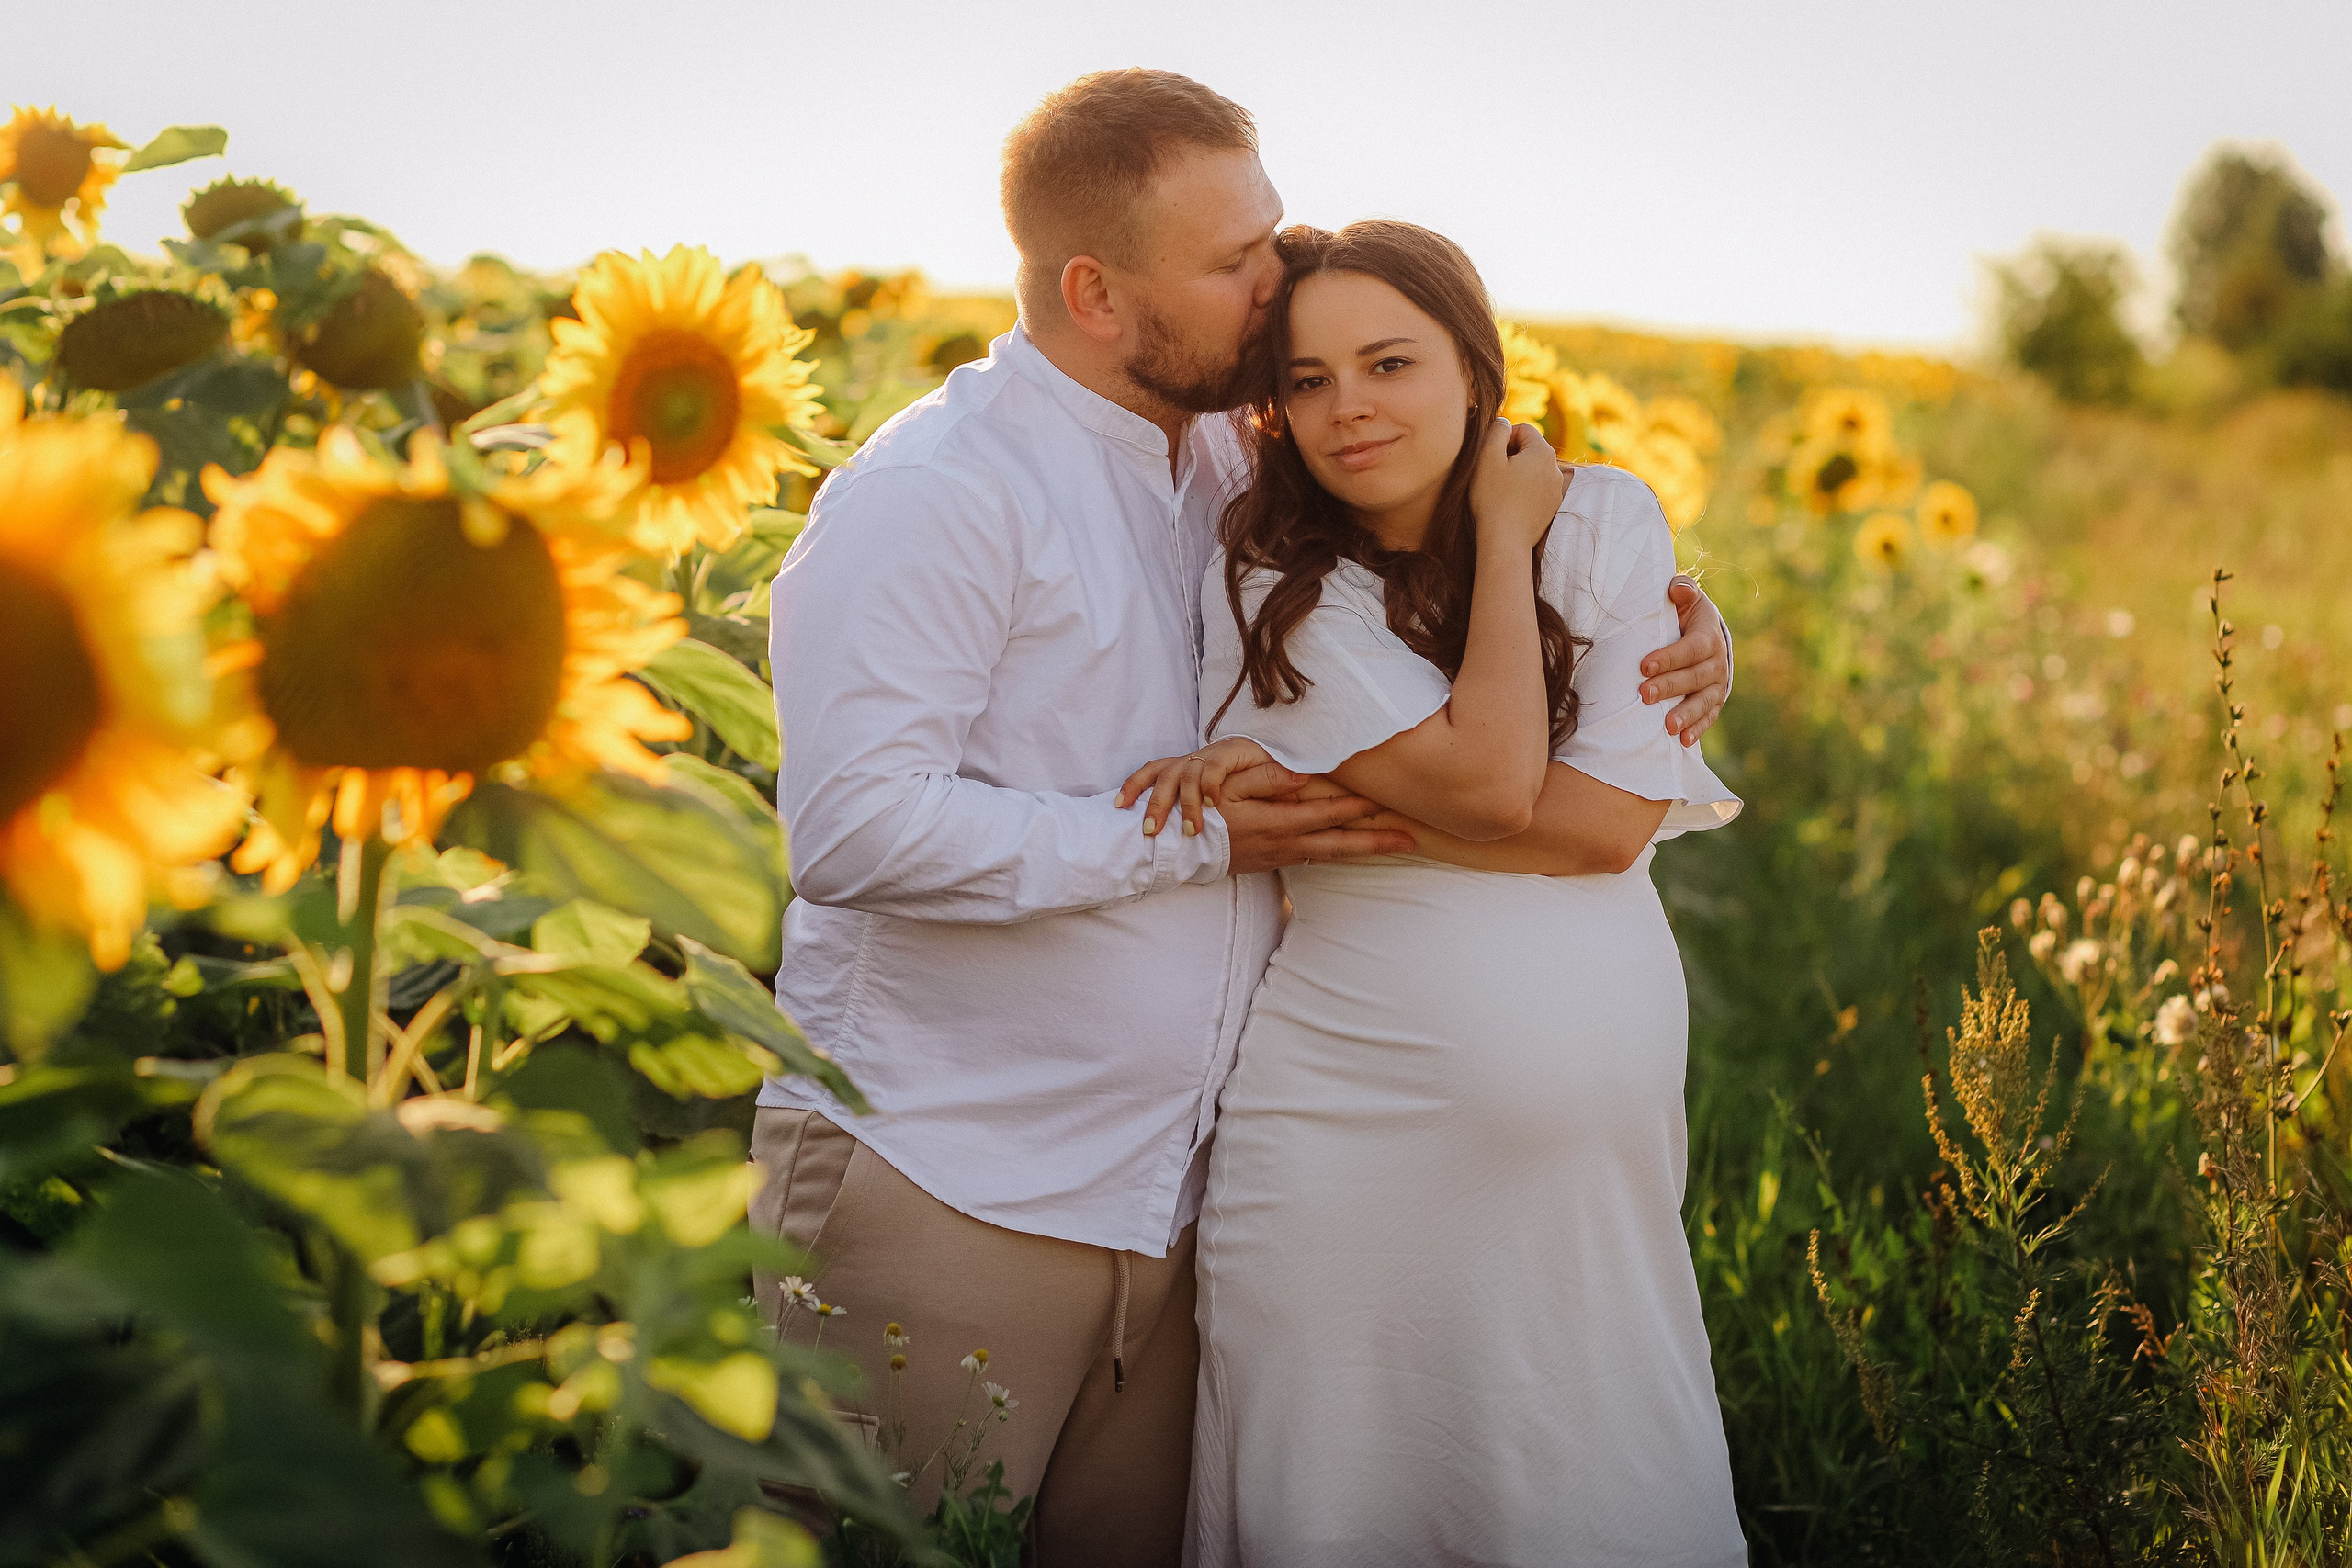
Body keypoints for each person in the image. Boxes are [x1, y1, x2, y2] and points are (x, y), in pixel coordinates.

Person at [751, 70, 1734, 1567]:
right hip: (956, 1184)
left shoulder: (1233, 457)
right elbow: (856, 832)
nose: (1275, 284)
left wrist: (1683, 629)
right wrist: (1194, 836)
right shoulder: (937, 492)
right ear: (1095, 292)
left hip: (1178, 1195)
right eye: (1233, 262)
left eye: (1269, 236)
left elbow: (1464, 562)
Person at [1120, 220, 1745, 1567]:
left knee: (1601, 1496)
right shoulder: (1277, 581)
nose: (1349, 406)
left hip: (1595, 1174)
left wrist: (1338, 805)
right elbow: (1501, 787)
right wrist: (1506, 546)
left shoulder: (1607, 519)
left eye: (1390, 362)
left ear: (1475, 369)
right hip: (1352, 1147)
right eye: (1308, 380)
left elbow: (1603, 830)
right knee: (1347, 1506)